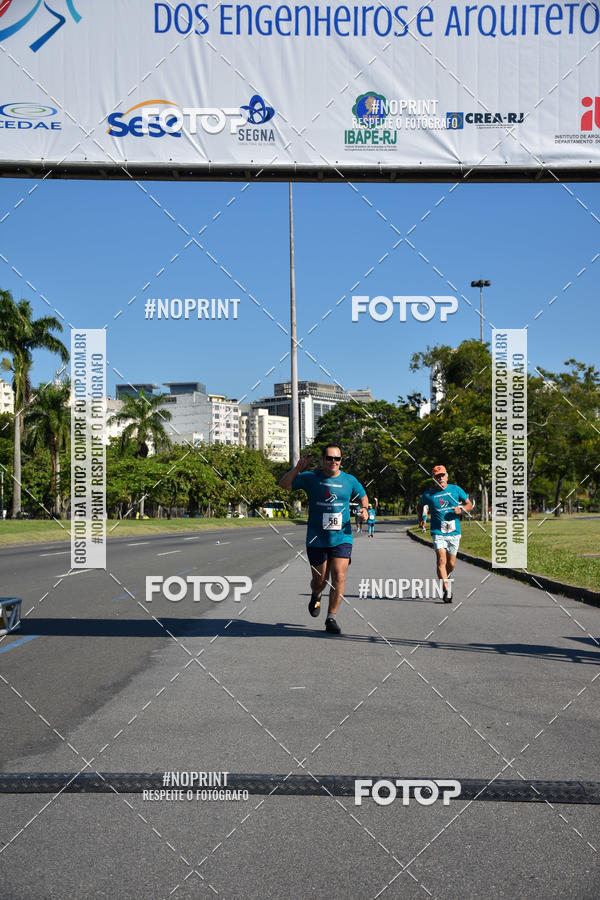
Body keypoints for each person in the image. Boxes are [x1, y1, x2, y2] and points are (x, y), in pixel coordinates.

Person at [279, 445, 368, 635]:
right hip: (317, 538)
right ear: (323, 460)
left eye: (337, 459)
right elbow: (284, 485)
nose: (334, 462)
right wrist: (297, 469)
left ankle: (331, 618)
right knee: (319, 580)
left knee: (339, 576)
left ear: (341, 460)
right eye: (330, 458)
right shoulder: (310, 477)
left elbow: (363, 496)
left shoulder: (349, 480)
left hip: (342, 537)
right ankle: (316, 594)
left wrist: (365, 509)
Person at [417, 465, 473, 603]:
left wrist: (462, 509)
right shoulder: (428, 495)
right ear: (434, 479)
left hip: (454, 532)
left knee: (451, 564)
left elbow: (469, 504)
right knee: (441, 560)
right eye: (437, 476)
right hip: (438, 532)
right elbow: (420, 506)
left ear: (446, 476)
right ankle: (446, 590)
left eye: (442, 475)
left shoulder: (455, 489)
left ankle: (445, 577)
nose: (440, 478)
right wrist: (421, 519)